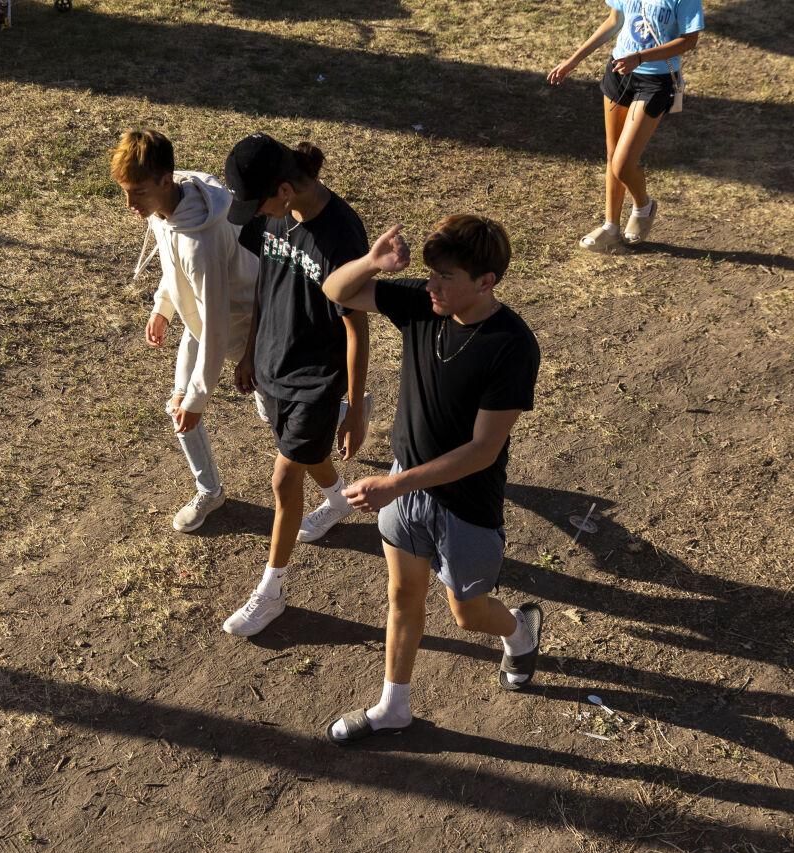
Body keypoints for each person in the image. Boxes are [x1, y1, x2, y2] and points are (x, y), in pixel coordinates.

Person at [318, 215, 544, 744]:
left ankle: (519, 628)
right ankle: (393, 706)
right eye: (429, 274)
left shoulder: (511, 345)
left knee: (466, 614)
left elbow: (483, 451)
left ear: (486, 281)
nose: (431, 286)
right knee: (403, 597)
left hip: (465, 504)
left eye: (445, 276)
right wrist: (373, 262)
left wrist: (395, 487)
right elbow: (337, 290)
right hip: (405, 488)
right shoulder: (424, 304)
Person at [219, 133, 369, 638]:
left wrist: (354, 405)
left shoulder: (342, 235)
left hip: (317, 378)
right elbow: (266, 279)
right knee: (301, 452)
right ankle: (339, 501)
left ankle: (271, 591)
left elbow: (356, 326)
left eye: (253, 201)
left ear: (284, 189)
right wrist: (249, 351)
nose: (249, 212)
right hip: (271, 364)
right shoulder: (273, 214)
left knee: (284, 478)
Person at [111, 130, 259, 533]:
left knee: (272, 411)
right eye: (125, 192)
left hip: (244, 326)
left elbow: (214, 325)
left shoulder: (203, 242)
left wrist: (198, 397)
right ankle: (211, 490)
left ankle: (345, 409)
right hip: (201, 318)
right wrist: (163, 307)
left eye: (137, 193)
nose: (130, 206)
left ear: (165, 180)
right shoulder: (167, 205)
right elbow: (171, 263)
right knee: (176, 408)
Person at [547, 0, 705, 253]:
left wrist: (641, 57)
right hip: (618, 72)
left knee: (622, 164)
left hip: (656, 82)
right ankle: (610, 228)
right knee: (612, 155)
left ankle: (643, 206)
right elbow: (614, 21)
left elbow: (689, 41)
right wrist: (573, 60)